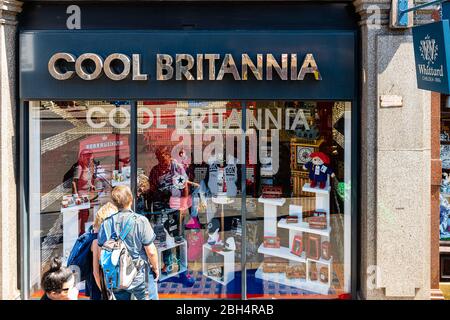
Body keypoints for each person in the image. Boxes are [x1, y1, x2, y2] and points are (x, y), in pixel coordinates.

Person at [97, 185, 159, 300]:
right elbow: (151, 251)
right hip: (140, 274)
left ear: (115, 203)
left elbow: (101, 253)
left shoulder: (106, 223)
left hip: (116, 275)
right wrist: (155, 268)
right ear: (131, 199)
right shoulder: (141, 221)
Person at [89, 202, 118, 300]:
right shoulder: (121, 240)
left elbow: (96, 272)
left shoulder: (96, 242)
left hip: (107, 287)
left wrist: (104, 291)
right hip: (123, 285)